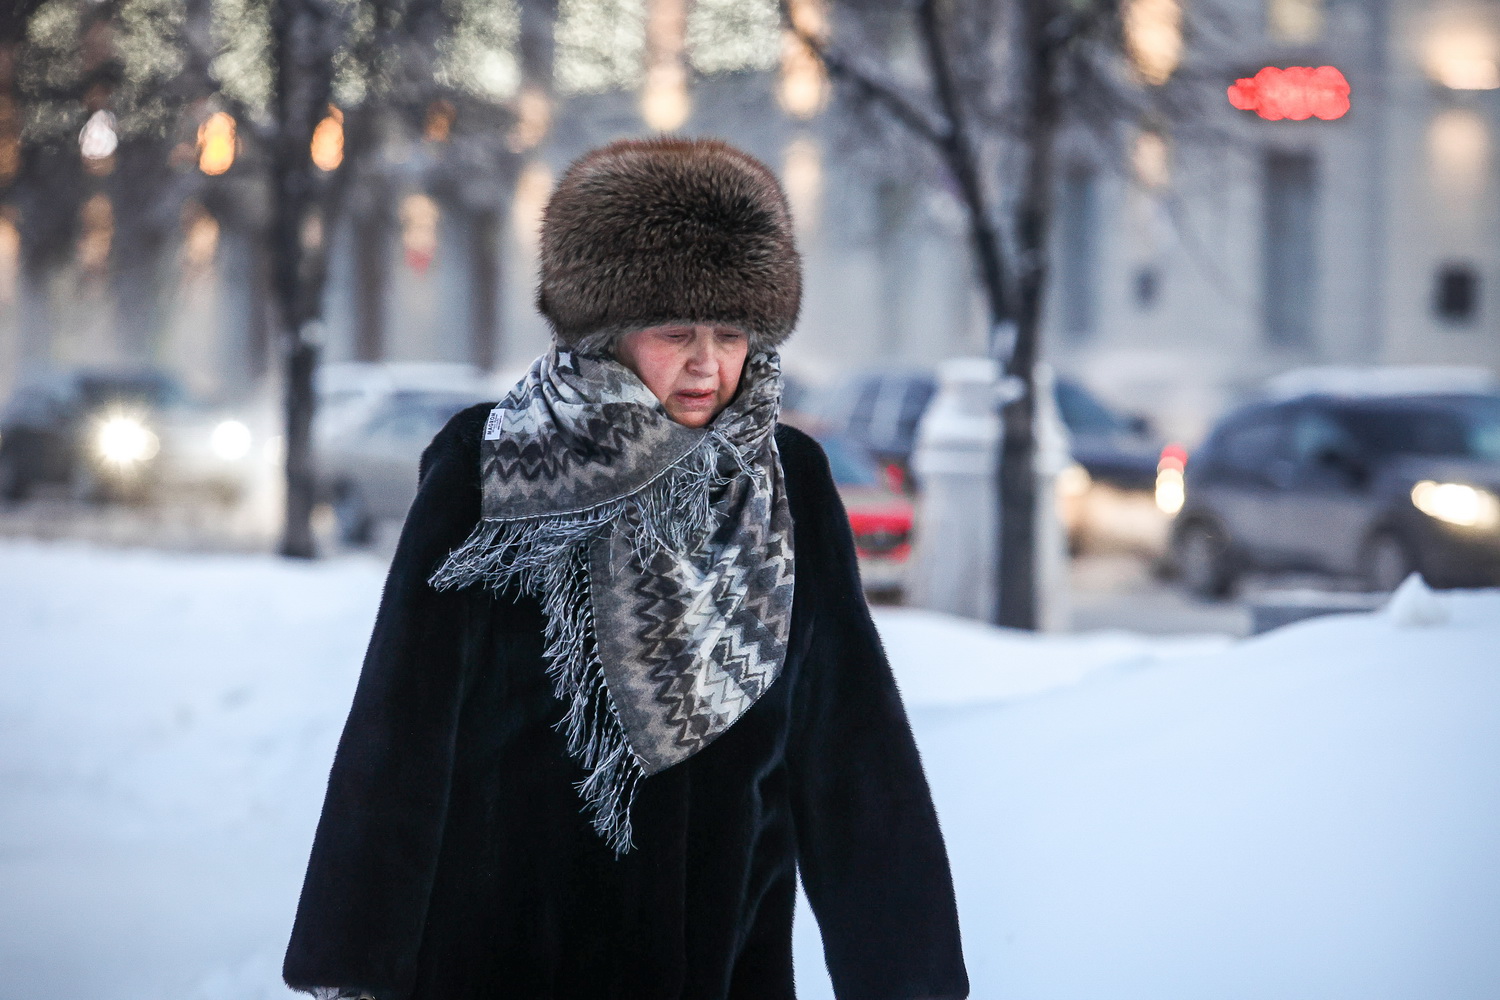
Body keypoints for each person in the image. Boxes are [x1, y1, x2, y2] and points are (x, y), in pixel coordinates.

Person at [283, 137, 968, 1000]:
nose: (707, 363)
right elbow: (403, 727)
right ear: (606, 333)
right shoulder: (491, 468)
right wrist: (353, 960)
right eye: (676, 332)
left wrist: (908, 980)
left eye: (731, 334)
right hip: (504, 957)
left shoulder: (787, 484)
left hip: (723, 960)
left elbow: (852, 750)